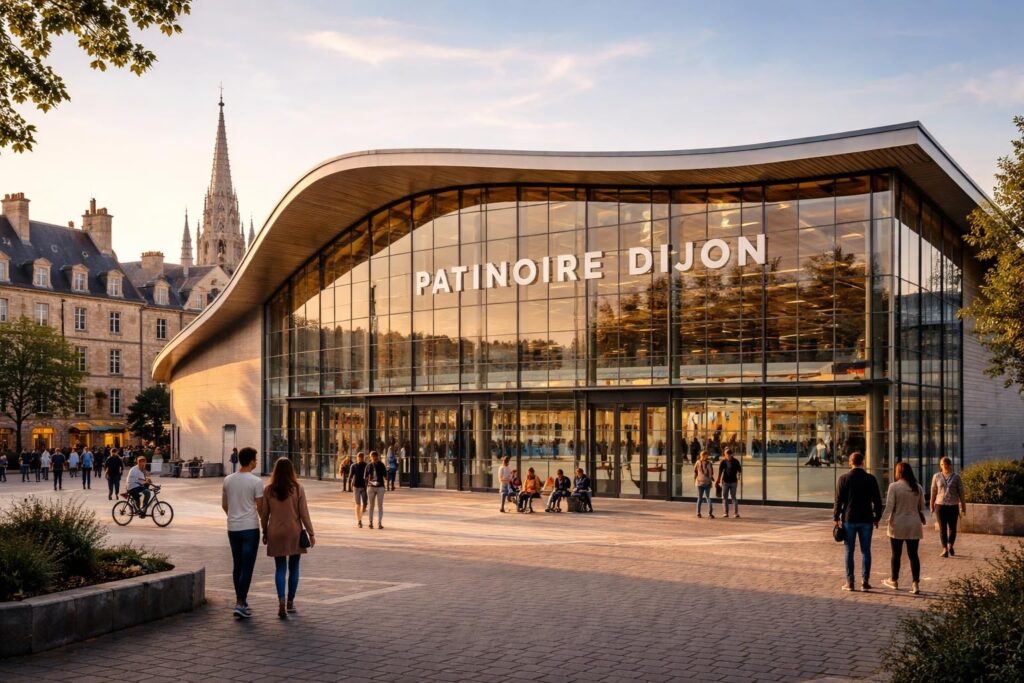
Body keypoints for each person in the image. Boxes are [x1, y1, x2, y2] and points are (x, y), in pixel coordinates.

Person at [260, 457, 315, 619]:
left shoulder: (269, 490)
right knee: (294, 567)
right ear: (291, 471)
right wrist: (311, 533)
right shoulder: (298, 489)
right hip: (294, 532)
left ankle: (281, 601)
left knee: (280, 568)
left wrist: (264, 532)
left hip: (275, 532)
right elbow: (304, 514)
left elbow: (264, 515)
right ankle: (291, 601)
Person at [222, 446, 263, 619]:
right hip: (250, 528)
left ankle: (241, 601)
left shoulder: (228, 480)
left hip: (233, 528)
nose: (257, 461)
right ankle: (240, 602)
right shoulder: (256, 482)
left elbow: (225, 505)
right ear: (251, 460)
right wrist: (265, 526)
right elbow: (260, 508)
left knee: (237, 565)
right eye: (256, 458)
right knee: (247, 566)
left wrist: (233, 516)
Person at [833, 451, 883, 592]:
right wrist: (877, 517)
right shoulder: (870, 479)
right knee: (865, 551)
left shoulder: (843, 479)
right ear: (863, 462)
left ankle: (850, 582)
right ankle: (865, 582)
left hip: (849, 519)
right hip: (866, 519)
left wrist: (836, 517)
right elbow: (877, 501)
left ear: (850, 462)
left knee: (849, 551)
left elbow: (838, 500)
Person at [881, 462, 926, 595]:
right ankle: (915, 583)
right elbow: (922, 507)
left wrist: (881, 521)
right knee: (914, 555)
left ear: (899, 472)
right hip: (914, 524)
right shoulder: (918, 487)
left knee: (896, 554)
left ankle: (894, 580)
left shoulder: (894, 486)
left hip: (897, 524)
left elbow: (889, 507)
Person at [930, 456, 966, 558]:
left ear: (950, 465)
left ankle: (950, 545)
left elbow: (961, 493)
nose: (944, 466)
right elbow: (933, 491)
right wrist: (932, 505)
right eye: (942, 464)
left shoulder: (956, 477)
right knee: (942, 528)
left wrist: (963, 507)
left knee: (953, 528)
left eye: (945, 464)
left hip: (953, 506)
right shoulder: (936, 476)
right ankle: (945, 549)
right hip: (940, 506)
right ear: (940, 465)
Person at [716, 448, 742, 518]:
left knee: (733, 497)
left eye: (728, 455)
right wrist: (718, 480)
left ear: (731, 455)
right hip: (725, 482)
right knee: (725, 497)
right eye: (726, 455)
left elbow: (739, 470)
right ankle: (725, 512)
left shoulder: (736, 461)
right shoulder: (723, 461)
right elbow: (720, 471)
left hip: (733, 482)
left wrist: (739, 475)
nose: (727, 457)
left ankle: (736, 513)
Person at [365, 450, 387, 529]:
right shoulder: (368, 466)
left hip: (380, 487)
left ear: (377, 457)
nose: (373, 458)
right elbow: (365, 477)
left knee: (380, 505)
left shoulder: (381, 465)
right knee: (371, 505)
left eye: (375, 457)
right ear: (370, 457)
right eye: (372, 457)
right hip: (371, 487)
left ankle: (379, 523)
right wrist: (369, 482)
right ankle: (370, 522)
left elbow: (385, 476)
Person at [349, 451, 368, 528]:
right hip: (356, 486)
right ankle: (359, 521)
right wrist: (350, 485)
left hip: (364, 486)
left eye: (361, 457)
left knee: (365, 504)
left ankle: (362, 512)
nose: (360, 459)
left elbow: (369, 475)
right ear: (357, 458)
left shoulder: (366, 465)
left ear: (363, 458)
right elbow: (350, 476)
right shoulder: (353, 466)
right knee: (358, 504)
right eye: (359, 457)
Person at [694, 451, 715, 519]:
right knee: (703, 498)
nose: (705, 457)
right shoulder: (700, 462)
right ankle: (700, 513)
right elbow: (696, 471)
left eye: (705, 456)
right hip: (702, 482)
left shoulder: (706, 463)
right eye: (704, 456)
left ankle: (706, 513)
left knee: (705, 498)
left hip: (704, 482)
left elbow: (695, 471)